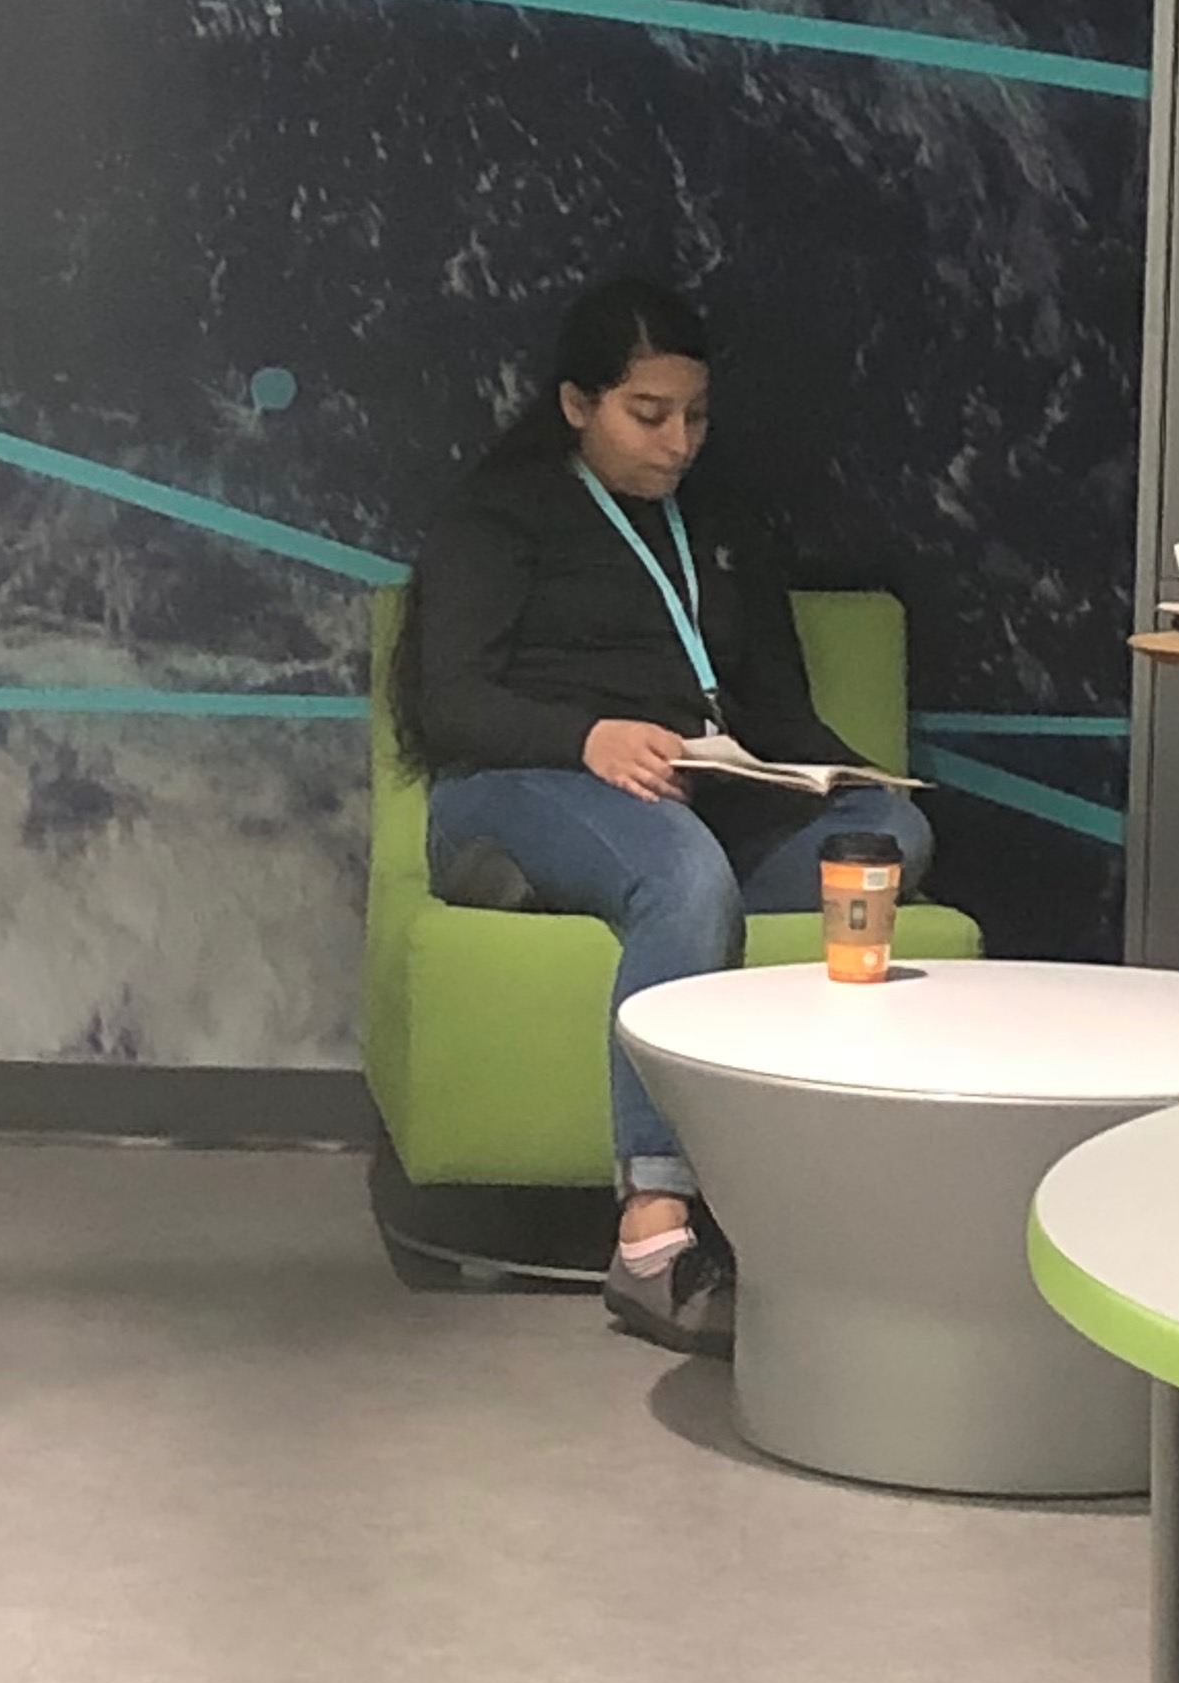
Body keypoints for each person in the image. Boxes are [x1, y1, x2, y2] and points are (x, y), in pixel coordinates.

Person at [396, 276, 934, 1356]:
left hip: (693, 794)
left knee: (885, 840)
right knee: (679, 872)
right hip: (516, 784)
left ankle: (647, 921)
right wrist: (586, 737)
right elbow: (447, 703)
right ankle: (652, 1239)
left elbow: (775, 706)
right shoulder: (501, 514)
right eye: (648, 415)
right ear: (576, 405)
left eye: (695, 416)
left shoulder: (721, 525)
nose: (678, 442)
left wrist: (840, 776)